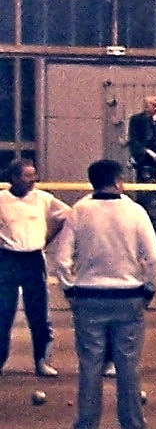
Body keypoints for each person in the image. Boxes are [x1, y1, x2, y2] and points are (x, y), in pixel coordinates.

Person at [53, 160, 156, 429]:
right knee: (128, 366)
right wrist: (149, 289)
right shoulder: (135, 211)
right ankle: (133, 426)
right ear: (117, 181)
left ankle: (85, 428)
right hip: (128, 297)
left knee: (90, 365)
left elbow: (62, 259)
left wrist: (70, 290)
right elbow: (153, 259)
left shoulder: (80, 211)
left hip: (89, 296)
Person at [0, 157, 68, 378]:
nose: (32, 180)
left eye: (33, 175)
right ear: (13, 177)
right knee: (3, 312)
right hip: (7, 259)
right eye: (27, 176)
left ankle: (42, 360)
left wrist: (48, 237)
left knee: (38, 312)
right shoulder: (1, 199)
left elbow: (66, 215)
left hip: (34, 258)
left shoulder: (43, 199)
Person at [127, 95, 156, 182]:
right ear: (146, 107)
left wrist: (155, 122)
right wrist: (147, 151)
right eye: (154, 106)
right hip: (142, 155)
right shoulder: (136, 120)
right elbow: (134, 139)